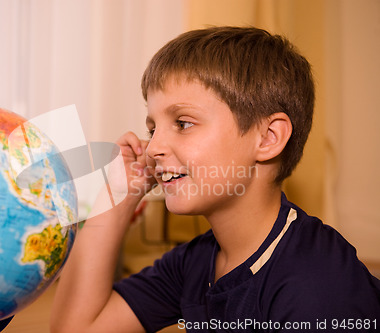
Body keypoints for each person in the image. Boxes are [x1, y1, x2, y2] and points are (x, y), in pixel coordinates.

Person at [50, 26, 380, 332]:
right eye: (153, 129)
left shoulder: (316, 284)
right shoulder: (195, 262)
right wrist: (116, 197)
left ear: (267, 138)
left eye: (182, 123)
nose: (154, 148)